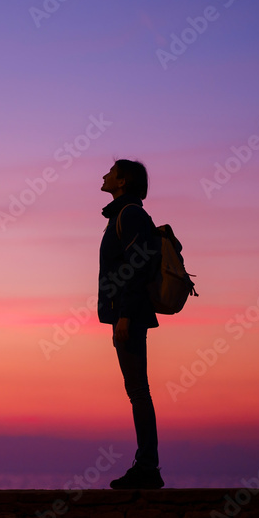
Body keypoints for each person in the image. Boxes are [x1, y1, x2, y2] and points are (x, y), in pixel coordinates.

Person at [98, 159, 164, 489]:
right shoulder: (123, 216)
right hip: (125, 313)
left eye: (111, 172)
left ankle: (148, 468)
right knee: (136, 390)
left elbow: (138, 267)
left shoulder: (131, 215)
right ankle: (147, 466)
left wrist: (124, 314)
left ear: (122, 181)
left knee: (139, 391)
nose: (104, 175)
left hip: (130, 315)